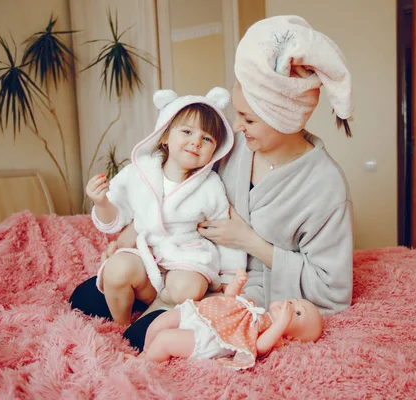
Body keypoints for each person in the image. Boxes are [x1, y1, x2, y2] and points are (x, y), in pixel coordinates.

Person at [70, 14, 354, 352]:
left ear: (283, 119)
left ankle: (168, 304)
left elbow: (333, 290)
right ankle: (155, 294)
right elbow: (173, 194)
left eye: (248, 119)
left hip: (244, 286)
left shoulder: (325, 186)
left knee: (140, 339)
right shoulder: (231, 150)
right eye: (237, 113)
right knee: (84, 298)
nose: (236, 125)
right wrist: (131, 232)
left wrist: (250, 242)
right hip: (180, 257)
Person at [78, 87, 246, 326]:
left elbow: (225, 233)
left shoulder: (210, 185)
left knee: (186, 288)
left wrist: (229, 277)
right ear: (165, 136)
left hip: (187, 257)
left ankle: (155, 310)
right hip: (147, 254)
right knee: (115, 271)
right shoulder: (140, 171)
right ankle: (122, 326)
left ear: (215, 150)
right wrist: (101, 202)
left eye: (207, 138)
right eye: (187, 131)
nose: (196, 142)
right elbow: (114, 218)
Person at [139, 269, 322, 369]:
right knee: (159, 323)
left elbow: (259, 347)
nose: (290, 305)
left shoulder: (273, 334)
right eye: (294, 301)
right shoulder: (255, 307)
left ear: (292, 338)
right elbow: (230, 300)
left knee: (165, 339)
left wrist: (281, 323)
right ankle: (145, 352)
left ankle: (146, 364)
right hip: (200, 314)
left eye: (297, 313)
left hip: (212, 336)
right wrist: (237, 284)